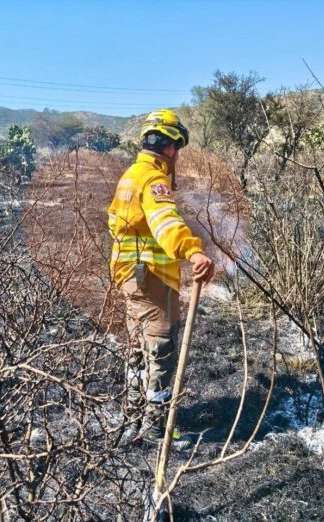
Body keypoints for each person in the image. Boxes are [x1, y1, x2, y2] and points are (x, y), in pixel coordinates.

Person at [107, 109, 214, 446]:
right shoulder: (154, 180)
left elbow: (115, 222)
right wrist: (193, 252)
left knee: (137, 348)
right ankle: (156, 429)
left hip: (129, 275)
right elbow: (166, 222)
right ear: (170, 147)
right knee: (161, 350)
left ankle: (131, 416)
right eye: (177, 148)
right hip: (152, 276)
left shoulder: (130, 175)